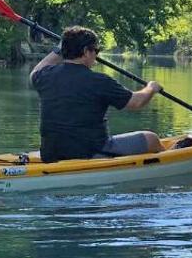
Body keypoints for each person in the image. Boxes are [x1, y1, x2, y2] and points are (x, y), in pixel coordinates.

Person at [30, 26, 163, 162]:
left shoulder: (45, 76)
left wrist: (59, 49)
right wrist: (151, 88)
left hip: (50, 155)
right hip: (91, 152)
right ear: (86, 52)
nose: (96, 55)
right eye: (96, 50)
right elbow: (136, 102)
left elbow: (36, 70)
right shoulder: (100, 81)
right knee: (151, 138)